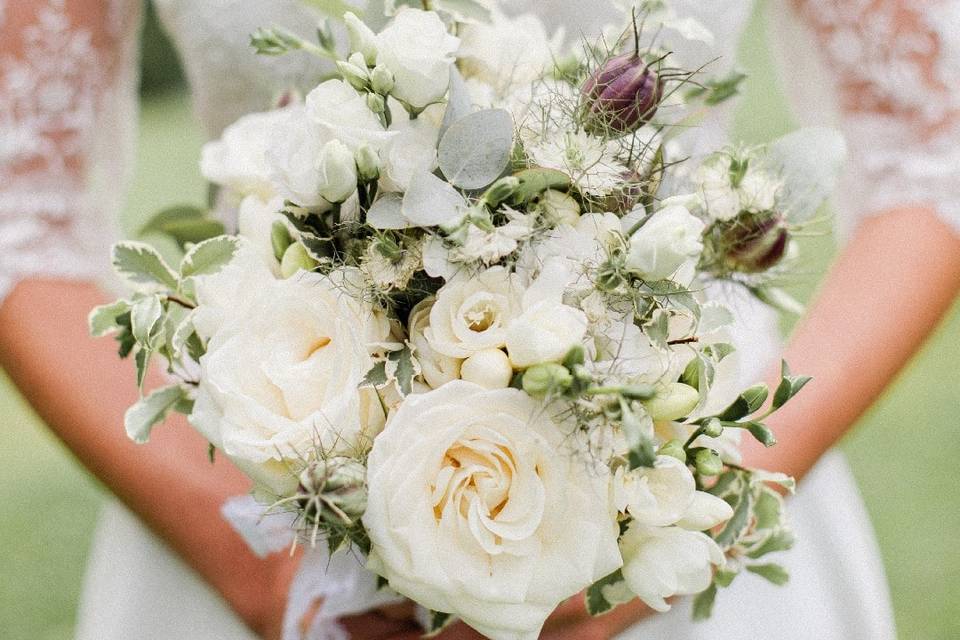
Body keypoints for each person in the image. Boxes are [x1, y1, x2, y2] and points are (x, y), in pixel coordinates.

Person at [0, 1, 957, 638]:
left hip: (681, 511)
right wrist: (251, 564)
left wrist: (680, 510)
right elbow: (18, 203)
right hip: (261, 509)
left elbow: (932, 143)